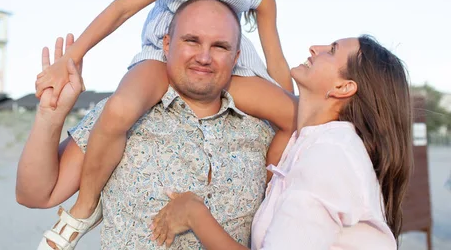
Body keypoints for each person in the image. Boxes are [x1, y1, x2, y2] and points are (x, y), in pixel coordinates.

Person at [32, 0, 322, 248]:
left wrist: (287, 100)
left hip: (222, 63)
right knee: (118, 111)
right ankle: (85, 207)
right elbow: (124, 6)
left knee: (294, 116)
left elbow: (276, 58)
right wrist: (72, 56)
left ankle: (269, 199)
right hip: (164, 53)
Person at [17, 0, 278, 249]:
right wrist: (51, 115)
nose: (204, 57)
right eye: (191, 41)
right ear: (166, 45)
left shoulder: (262, 131)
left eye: (220, 46)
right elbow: (36, 194)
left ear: (236, 57)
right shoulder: (121, 116)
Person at [150, 35, 413, 249]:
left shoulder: (330, 155)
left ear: (344, 88)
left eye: (331, 50)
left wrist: (195, 214)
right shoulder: (305, 142)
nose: (315, 47)